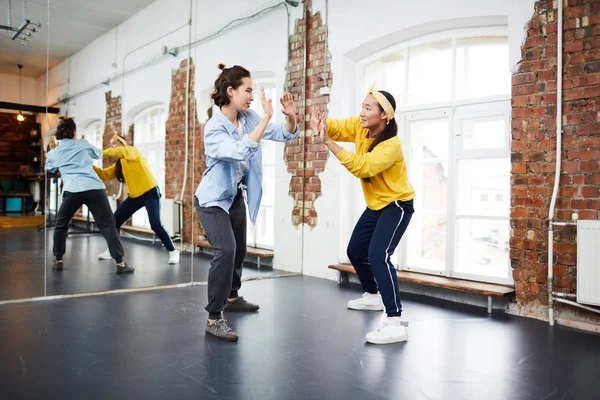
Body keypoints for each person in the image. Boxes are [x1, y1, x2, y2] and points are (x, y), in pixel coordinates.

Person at [195, 64, 299, 341]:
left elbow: (284, 134)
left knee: (239, 250)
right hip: (212, 200)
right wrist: (265, 117)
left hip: (233, 196)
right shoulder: (214, 128)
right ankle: (214, 317)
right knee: (225, 251)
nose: (252, 96)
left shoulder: (248, 117)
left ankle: (231, 297)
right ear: (231, 92)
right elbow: (239, 150)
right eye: (248, 90)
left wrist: (290, 117)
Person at [311, 85, 415, 345]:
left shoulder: (391, 145)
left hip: (397, 205)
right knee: (356, 251)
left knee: (379, 255)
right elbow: (336, 126)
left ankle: (395, 320)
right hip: (376, 206)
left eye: (368, 108)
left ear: (384, 115)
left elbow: (363, 167)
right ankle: (372, 294)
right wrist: (321, 123)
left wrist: (328, 142)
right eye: (362, 106)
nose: (361, 113)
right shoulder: (361, 127)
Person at [45, 117, 134, 274]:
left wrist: (58, 156)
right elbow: (98, 155)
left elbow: (49, 169)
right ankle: (120, 264)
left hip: (72, 190)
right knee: (108, 224)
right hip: (94, 189)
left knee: (61, 224)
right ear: (74, 132)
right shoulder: (83, 144)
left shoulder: (54, 153)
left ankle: (58, 260)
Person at [93, 133, 180, 264]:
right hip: (135, 196)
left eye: (114, 143)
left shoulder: (132, 151)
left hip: (150, 192)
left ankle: (173, 251)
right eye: (110, 144)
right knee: (114, 221)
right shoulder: (120, 165)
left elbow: (121, 151)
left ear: (123, 144)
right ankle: (113, 251)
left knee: (155, 224)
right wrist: (88, 167)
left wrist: (100, 152)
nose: (112, 147)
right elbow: (104, 174)